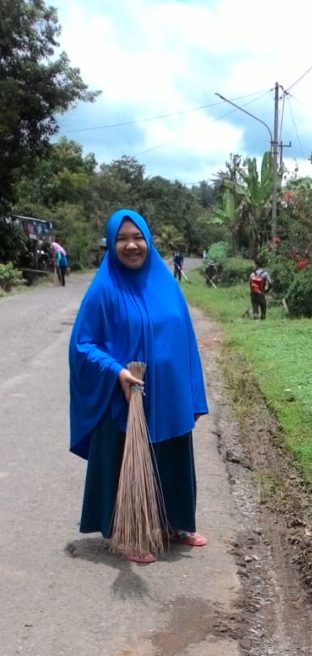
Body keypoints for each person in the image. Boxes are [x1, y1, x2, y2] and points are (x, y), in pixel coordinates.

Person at [69, 209, 208, 564]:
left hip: (167, 396)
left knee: (172, 455)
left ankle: (173, 524)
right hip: (125, 398)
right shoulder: (104, 288)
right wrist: (116, 372)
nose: (131, 245)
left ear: (148, 240)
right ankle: (128, 533)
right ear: (111, 244)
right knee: (125, 461)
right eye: (121, 239)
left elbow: (186, 341)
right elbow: (83, 344)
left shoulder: (166, 283)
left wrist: (189, 390)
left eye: (137, 237)